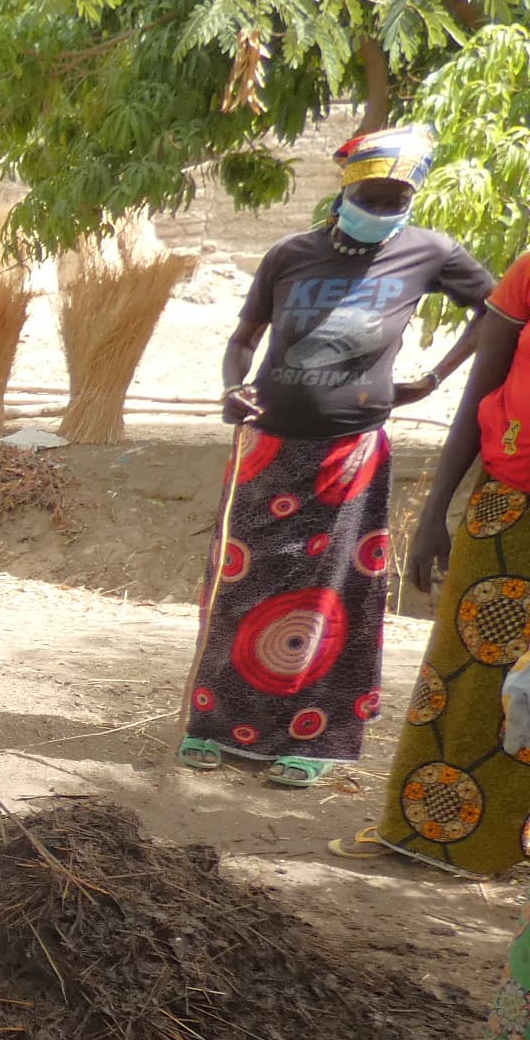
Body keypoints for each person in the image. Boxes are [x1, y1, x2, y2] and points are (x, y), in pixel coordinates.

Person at [183, 124, 491, 789]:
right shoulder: (290, 255)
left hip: (350, 456)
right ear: (346, 190)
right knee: (242, 584)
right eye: (370, 196)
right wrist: (233, 387)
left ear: (412, 196)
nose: (380, 208)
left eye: (394, 198)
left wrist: (433, 378)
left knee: (333, 597)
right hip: (267, 450)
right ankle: (215, 726)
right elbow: (244, 338)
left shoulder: (428, 253)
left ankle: (314, 738)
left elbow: (497, 310)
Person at [334, 244, 530, 870]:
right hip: (510, 507)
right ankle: (429, 835)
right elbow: (484, 385)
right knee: (464, 678)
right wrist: (434, 508)